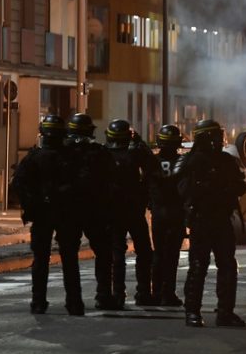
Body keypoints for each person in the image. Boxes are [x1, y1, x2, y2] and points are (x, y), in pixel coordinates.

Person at [176, 119, 246, 327]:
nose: (220, 139)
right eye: (216, 135)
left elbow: (240, 187)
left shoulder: (226, 161)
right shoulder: (191, 162)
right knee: (199, 267)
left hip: (220, 220)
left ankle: (224, 312)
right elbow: (182, 190)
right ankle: (193, 312)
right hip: (202, 220)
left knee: (226, 266)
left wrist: (222, 190)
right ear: (207, 137)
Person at [11, 115, 84, 315]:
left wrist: (33, 203)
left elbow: (18, 183)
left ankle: (38, 302)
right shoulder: (72, 157)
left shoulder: (33, 157)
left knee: (40, 260)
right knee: (69, 259)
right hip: (66, 214)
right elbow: (82, 185)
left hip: (42, 215)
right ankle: (74, 303)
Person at [62, 113, 117, 310]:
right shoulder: (100, 153)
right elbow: (112, 181)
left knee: (69, 257)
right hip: (96, 211)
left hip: (69, 212)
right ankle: (103, 296)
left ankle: (74, 301)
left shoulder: (62, 153)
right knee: (103, 253)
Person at [105, 119, 158, 307]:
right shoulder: (135, 153)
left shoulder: (104, 154)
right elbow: (153, 167)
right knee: (144, 252)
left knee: (116, 253)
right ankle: (143, 292)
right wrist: (140, 141)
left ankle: (117, 294)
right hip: (134, 210)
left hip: (113, 211)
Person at [149, 125, 186, 306]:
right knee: (172, 255)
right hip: (177, 212)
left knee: (159, 253)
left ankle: (155, 293)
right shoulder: (183, 162)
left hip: (158, 212)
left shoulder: (152, 161)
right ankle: (168, 293)